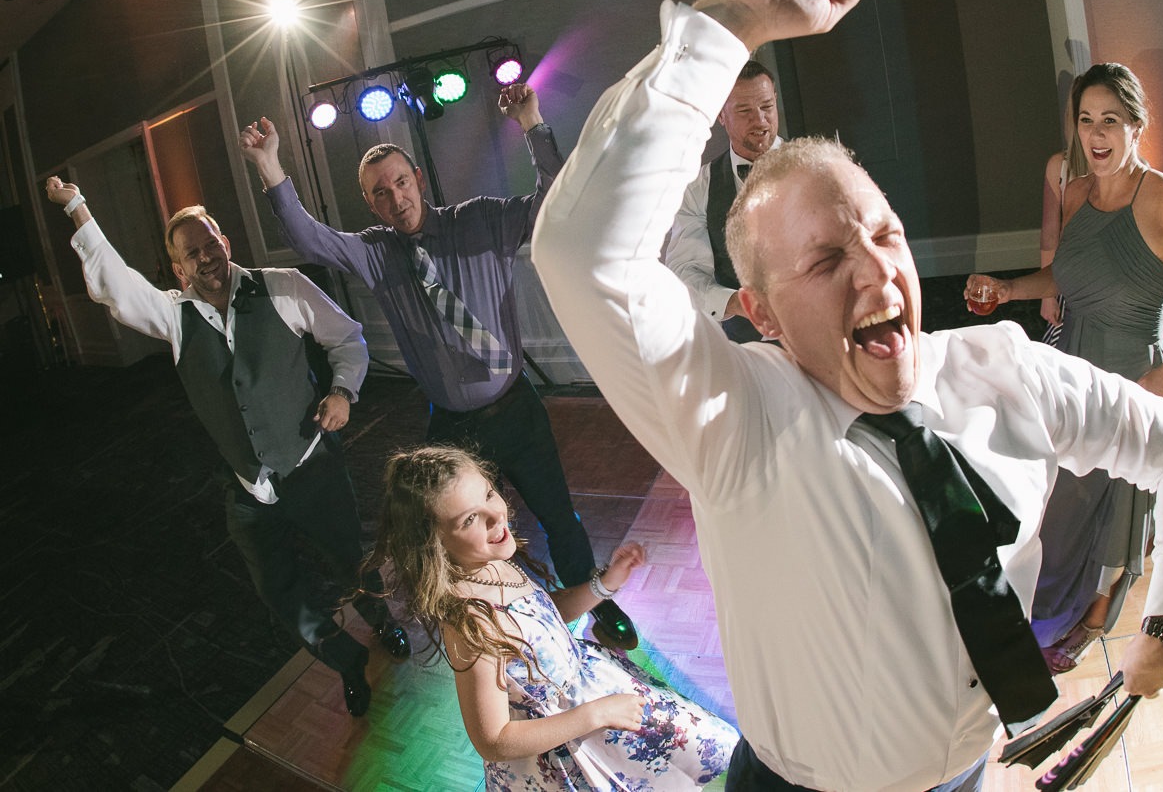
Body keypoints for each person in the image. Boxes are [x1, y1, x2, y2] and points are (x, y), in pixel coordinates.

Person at [532, 0, 1163, 792]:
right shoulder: (737, 420)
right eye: (825, 259)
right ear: (762, 312)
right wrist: (732, 18)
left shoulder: (1006, 369)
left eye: (885, 232)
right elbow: (580, 251)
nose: (875, 273)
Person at [239, 84, 638, 649]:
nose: (395, 198)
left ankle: (596, 601)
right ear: (371, 203)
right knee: (462, 536)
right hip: (454, 428)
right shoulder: (376, 254)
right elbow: (309, 236)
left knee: (558, 514)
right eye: (380, 193)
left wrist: (532, 123)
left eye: (402, 183)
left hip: (515, 406)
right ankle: (500, 623)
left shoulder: (481, 221)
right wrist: (270, 164)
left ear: (419, 182)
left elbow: (558, 198)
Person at [44, 178, 408, 718]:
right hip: (246, 489)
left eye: (210, 242)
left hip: (311, 465)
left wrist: (342, 390)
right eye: (190, 253)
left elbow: (347, 336)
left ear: (227, 243)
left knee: (348, 559)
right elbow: (117, 288)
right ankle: (346, 662)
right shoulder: (174, 316)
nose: (205, 256)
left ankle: (383, 622)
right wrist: (77, 206)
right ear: (178, 269)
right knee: (279, 590)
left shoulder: (282, 286)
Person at [965, 63, 1163, 674]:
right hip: (1070, 366)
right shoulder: (1078, 192)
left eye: (1111, 120)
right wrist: (1008, 290)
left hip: (1132, 374)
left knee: (1113, 509)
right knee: (1053, 499)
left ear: (1137, 125)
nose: (1097, 133)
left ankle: (1086, 623)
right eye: (1086, 120)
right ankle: (1042, 611)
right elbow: (1070, 274)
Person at [371, 445, 738, 791]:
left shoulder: (490, 563)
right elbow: (493, 739)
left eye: (488, 494)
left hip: (597, 696)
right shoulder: (471, 621)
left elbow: (543, 621)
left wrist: (603, 585)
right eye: (470, 519)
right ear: (434, 543)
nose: (496, 514)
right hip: (569, 746)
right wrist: (595, 715)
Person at [666, 60, 781, 343]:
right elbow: (685, 271)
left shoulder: (817, 169)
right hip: (744, 348)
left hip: (817, 337)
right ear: (721, 115)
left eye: (766, 107)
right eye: (744, 111)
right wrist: (739, 304)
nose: (760, 121)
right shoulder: (697, 188)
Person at [1037, 89, 1088, 344]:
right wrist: (1047, 295)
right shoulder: (1060, 165)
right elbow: (1049, 235)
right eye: (1086, 117)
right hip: (1072, 281)